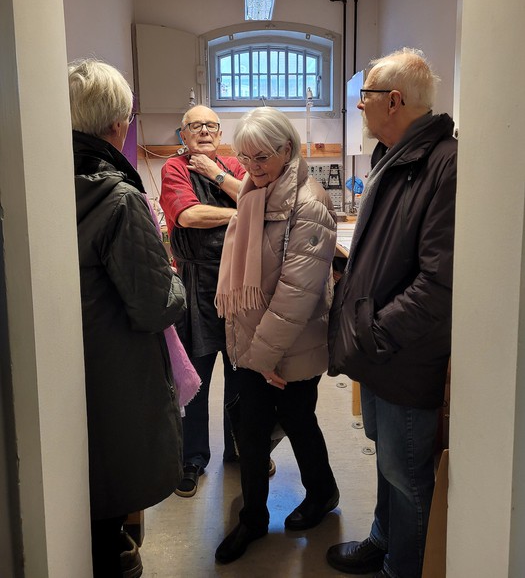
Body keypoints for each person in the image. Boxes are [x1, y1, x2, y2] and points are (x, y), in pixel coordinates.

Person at [326, 48, 457, 578]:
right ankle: (383, 541)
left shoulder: (444, 164)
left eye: (366, 96)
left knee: (407, 477)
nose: (360, 106)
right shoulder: (395, 156)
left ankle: (403, 569)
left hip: (403, 352)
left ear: (394, 100)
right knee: (387, 461)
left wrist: (376, 333)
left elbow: (439, 283)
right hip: (380, 350)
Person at [69, 59, 187, 577]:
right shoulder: (117, 196)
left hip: (69, 367)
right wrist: (176, 278)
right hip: (113, 372)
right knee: (109, 493)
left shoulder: (42, 183)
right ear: (119, 124)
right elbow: (156, 304)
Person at [214, 107, 339, 564]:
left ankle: (322, 493)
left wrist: (264, 356)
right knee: (250, 431)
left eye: (262, 157)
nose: (252, 167)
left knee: (299, 421)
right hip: (254, 345)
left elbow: (296, 293)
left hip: (292, 346)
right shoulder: (254, 193)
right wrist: (251, 352)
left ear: (287, 149)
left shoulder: (308, 203)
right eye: (245, 158)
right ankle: (253, 518)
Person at [159, 105, 247, 497]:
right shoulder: (174, 169)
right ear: (183, 134)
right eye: (196, 126)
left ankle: (240, 449)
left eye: (212, 125)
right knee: (194, 379)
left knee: (241, 375)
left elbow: (257, 199)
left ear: (221, 132)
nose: (205, 131)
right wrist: (239, 213)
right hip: (196, 285)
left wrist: (216, 175)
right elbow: (189, 216)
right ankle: (192, 459)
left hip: (240, 284)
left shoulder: (233, 166)